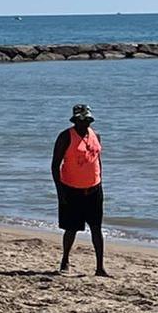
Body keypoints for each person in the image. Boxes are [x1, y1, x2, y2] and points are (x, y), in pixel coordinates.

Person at [50, 103, 106, 273]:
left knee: (96, 228)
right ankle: (65, 260)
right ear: (75, 120)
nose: (85, 123)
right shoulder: (65, 137)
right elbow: (55, 165)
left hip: (94, 189)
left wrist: (100, 180)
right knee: (71, 228)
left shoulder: (96, 135)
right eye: (81, 120)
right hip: (71, 189)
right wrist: (60, 192)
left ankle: (99, 267)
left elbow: (97, 159)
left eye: (87, 119)